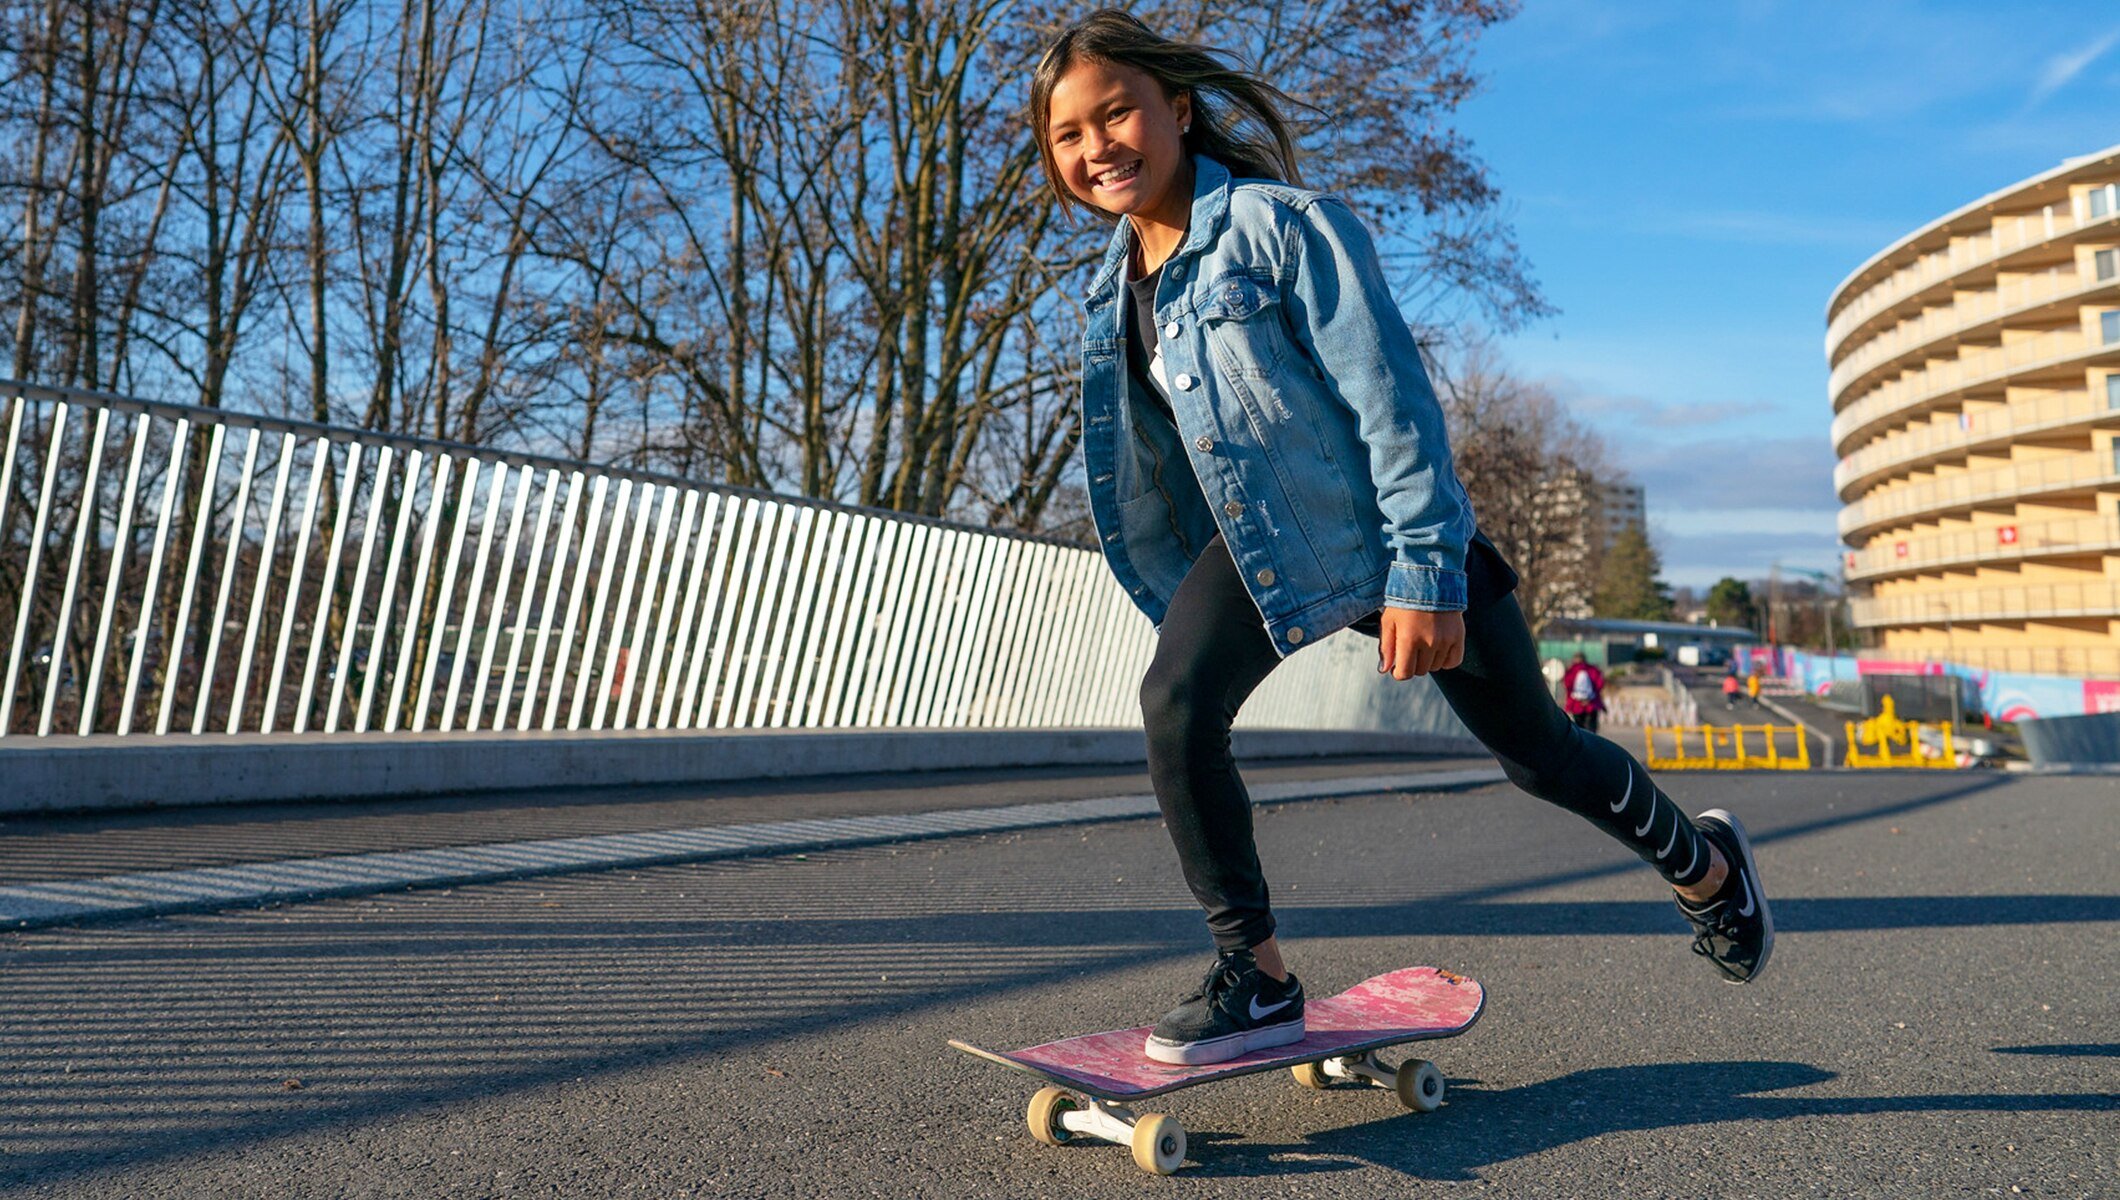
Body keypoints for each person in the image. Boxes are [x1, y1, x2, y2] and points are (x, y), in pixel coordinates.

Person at [1030, 10, 1774, 1067]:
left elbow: (1391, 404)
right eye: (1068, 134)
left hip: (1390, 535)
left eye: (1116, 114)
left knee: (1538, 755)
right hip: (1266, 550)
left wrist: (1423, 571)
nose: (1097, 146)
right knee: (1175, 706)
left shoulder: (1285, 227)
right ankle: (1259, 978)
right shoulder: (1109, 288)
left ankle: (1703, 869)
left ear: (1177, 112)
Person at [1560, 653, 1605, 733]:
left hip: (1576, 705)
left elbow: (1567, 685)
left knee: (1579, 730)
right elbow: (1600, 684)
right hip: (1592, 704)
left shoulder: (1571, 671)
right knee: (1591, 730)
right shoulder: (1593, 670)